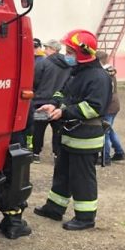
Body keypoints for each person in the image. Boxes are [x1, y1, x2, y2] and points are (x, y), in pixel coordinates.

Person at [34, 29, 111, 231]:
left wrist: (64, 112)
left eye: (70, 51)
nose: (67, 55)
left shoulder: (98, 77)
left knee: (82, 178)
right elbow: (62, 92)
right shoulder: (77, 73)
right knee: (62, 173)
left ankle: (85, 218)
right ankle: (54, 208)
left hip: (85, 137)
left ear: (82, 53)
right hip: (70, 135)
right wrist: (53, 104)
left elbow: (94, 107)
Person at [31, 38, 71, 163]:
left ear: (52, 49)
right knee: (58, 130)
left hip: (42, 101)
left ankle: (36, 153)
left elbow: (35, 80)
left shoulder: (43, 63)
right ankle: (57, 154)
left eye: (46, 48)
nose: (44, 50)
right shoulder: (68, 64)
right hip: (59, 102)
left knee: (38, 130)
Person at [97, 50, 125, 165]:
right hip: (114, 104)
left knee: (105, 132)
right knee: (109, 129)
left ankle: (106, 157)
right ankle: (119, 152)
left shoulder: (104, 73)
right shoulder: (110, 71)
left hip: (108, 106)